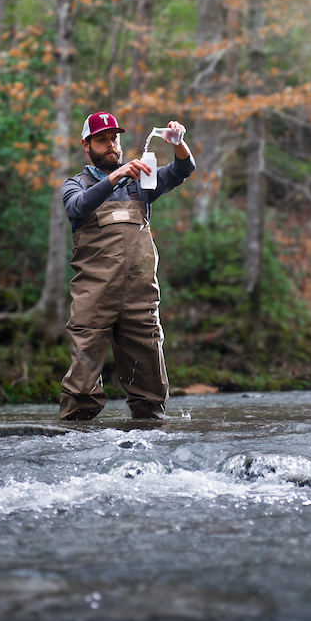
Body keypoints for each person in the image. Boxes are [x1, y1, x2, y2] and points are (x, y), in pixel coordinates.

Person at [59, 112, 195, 420]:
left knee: (151, 395)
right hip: (93, 299)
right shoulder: (74, 185)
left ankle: (148, 454)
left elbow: (183, 169)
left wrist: (178, 143)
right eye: (102, 140)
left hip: (140, 299)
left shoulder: (141, 184)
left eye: (114, 139)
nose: (111, 145)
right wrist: (117, 176)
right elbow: (77, 206)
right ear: (86, 145)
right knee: (81, 392)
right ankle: (71, 449)